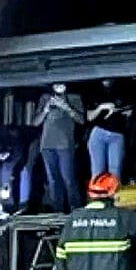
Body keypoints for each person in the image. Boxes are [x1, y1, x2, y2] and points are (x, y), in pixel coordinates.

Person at [33, 83, 85, 213]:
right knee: (53, 180)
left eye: (61, 84)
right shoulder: (45, 98)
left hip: (65, 144)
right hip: (47, 145)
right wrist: (45, 110)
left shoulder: (74, 98)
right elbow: (35, 122)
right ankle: (57, 212)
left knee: (68, 179)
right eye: (56, 84)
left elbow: (81, 120)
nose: (59, 86)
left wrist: (66, 107)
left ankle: (76, 210)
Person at [86, 79, 130, 180]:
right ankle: (99, 195)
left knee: (115, 170)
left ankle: (114, 195)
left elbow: (129, 110)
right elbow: (89, 117)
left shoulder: (122, 89)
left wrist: (121, 111)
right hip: (99, 133)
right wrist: (101, 107)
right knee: (97, 170)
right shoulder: (93, 91)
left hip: (117, 134)